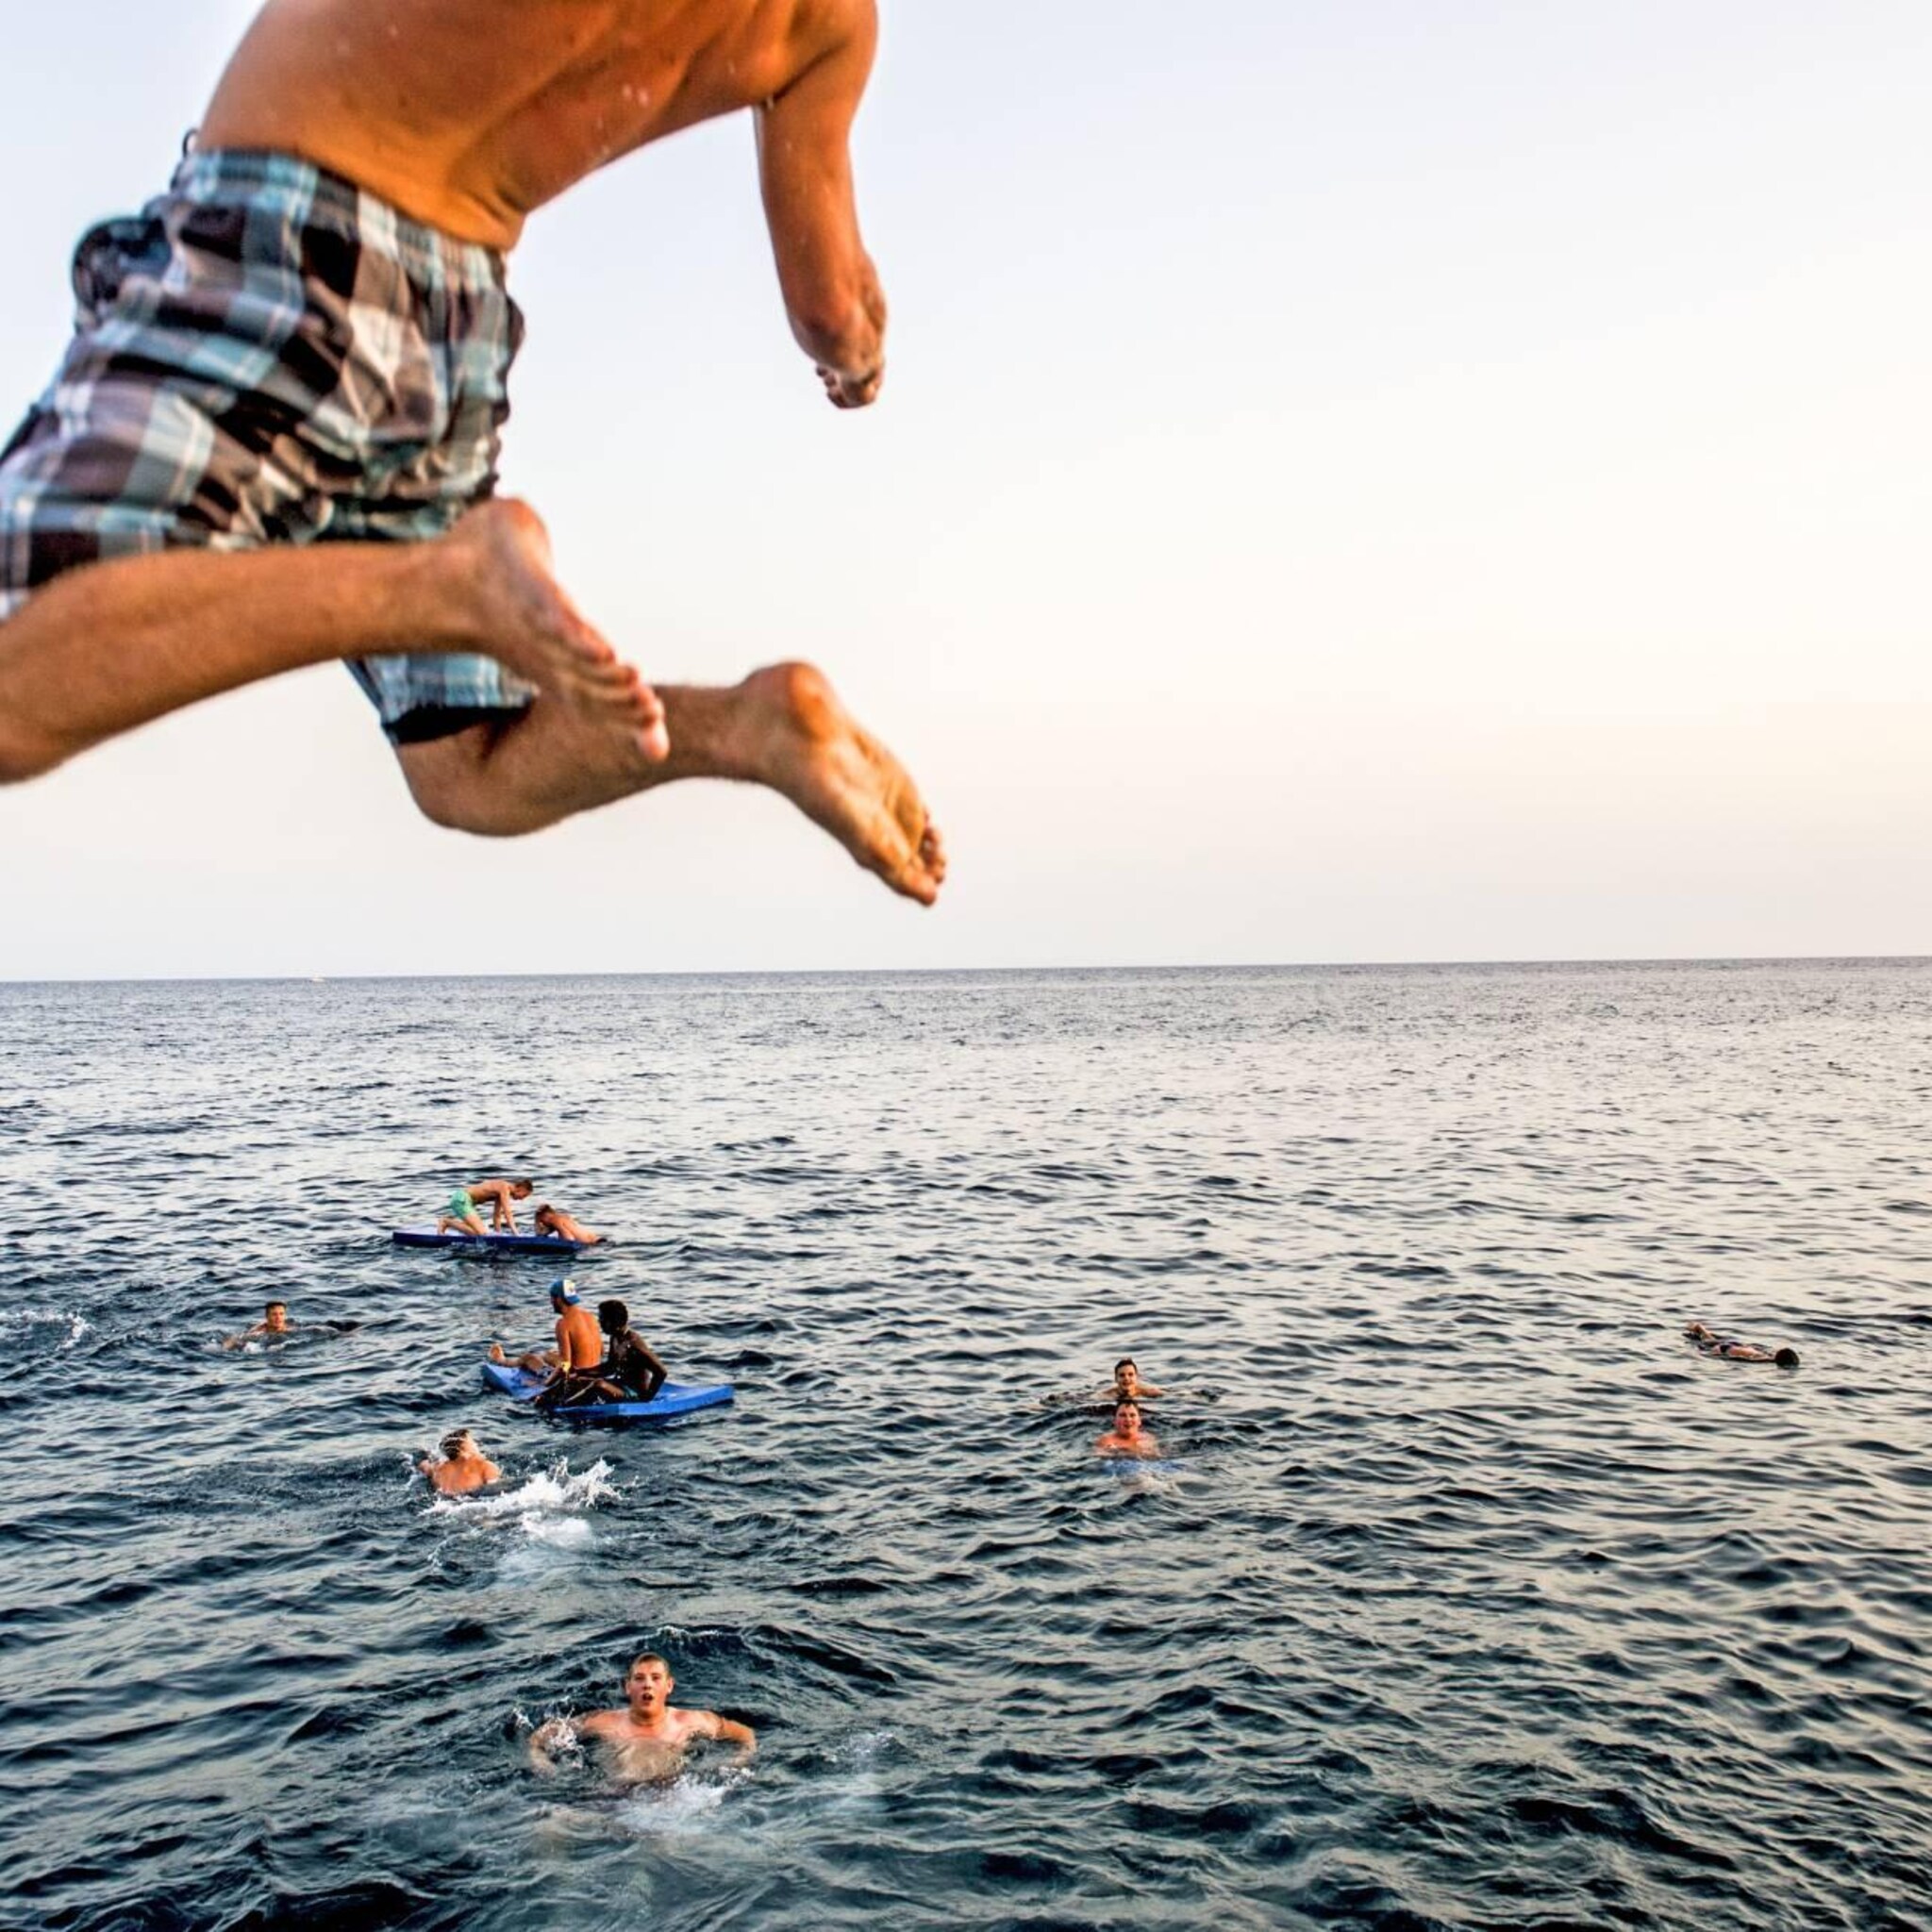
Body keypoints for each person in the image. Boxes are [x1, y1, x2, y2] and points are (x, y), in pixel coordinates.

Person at [0, 0, 947, 910]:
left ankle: (446, 583)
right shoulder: (831, 21)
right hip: (451, 320)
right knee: (466, 765)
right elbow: (831, 312)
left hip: (294, 221)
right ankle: (750, 726)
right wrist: (859, 360)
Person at [529, 1653, 755, 1786]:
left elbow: (746, 1735)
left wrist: (734, 1764)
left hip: (671, 1797)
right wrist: (544, 1766)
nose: (647, 1684)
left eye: (655, 1678)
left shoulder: (692, 1721)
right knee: (550, 1823)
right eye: (639, 1678)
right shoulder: (602, 1721)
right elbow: (539, 1738)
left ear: (669, 1686)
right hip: (610, 1798)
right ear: (628, 1687)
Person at [593, 1300, 668, 1404]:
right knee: (585, 1382)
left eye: (601, 1319)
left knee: (599, 1385)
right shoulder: (615, 1338)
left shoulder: (634, 1344)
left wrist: (647, 1397)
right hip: (621, 1385)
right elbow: (610, 1368)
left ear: (612, 1321)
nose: (599, 1322)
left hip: (635, 1392)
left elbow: (661, 1371)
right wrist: (580, 1372)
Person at [221, 1300, 358, 1349]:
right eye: (274, 1314)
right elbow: (238, 1338)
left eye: (281, 1314)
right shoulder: (259, 1331)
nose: (278, 1318)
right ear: (267, 1317)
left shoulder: (291, 1328)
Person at [438, 1176, 534, 1237]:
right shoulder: (504, 1187)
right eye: (524, 1195)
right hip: (462, 1199)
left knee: (478, 1233)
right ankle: (446, 1222)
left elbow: (497, 1215)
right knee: (481, 1234)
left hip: (465, 1202)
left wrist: (498, 1235)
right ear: (520, 1188)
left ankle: (448, 1222)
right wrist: (516, 1234)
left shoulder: (502, 1192)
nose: (522, 1199)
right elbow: (507, 1213)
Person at [420, 1429, 503, 1496]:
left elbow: (423, 1465)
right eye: (472, 1442)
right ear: (463, 1449)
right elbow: (495, 1490)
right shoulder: (485, 1466)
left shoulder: (436, 1468)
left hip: (443, 1504)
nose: (476, 1444)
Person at [1685, 1323, 1800, 1369]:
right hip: (1725, 1349)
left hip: (1739, 1346)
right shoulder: (1762, 1361)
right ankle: (1698, 1327)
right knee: (1705, 1339)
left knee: (1710, 1339)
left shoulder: (1767, 1357)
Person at [1095, 1401, 1160, 1459]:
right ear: (1114, 1421)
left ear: (1139, 1421)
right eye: (1122, 1415)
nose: (1128, 1419)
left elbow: (1157, 1458)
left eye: (1132, 1415)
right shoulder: (1106, 1441)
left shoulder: (1148, 1438)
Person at [1099, 1357, 1165, 1403]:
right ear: (1116, 1379)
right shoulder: (1108, 1395)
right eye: (1122, 1375)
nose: (1126, 1378)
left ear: (1137, 1377)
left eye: (1130, 1374)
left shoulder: (1148, 1392)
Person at [533, 1205, 604, 1245]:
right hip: (599, 1240)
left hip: (593, 1245)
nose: (542, 1223)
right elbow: (541, 1234)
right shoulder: (563, 1217)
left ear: (545, 1216)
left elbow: (569, 1239)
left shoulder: (554, 1221)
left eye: (541, 1220)